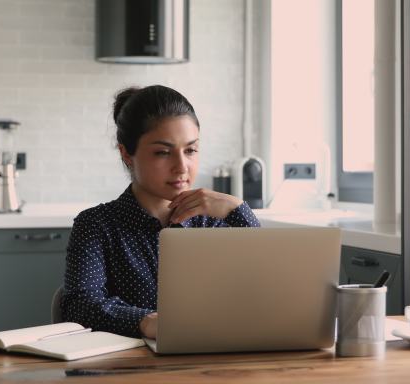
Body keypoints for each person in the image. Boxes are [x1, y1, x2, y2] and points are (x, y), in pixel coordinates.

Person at [61, 85, 261, 339]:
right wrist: (145, 322)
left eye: (190, 150)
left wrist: (238, 209)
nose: (181, 167)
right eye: (163, 152)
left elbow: (264, 289)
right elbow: (79, 307)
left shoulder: (217, 221)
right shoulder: (97, 225)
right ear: (126, 154)